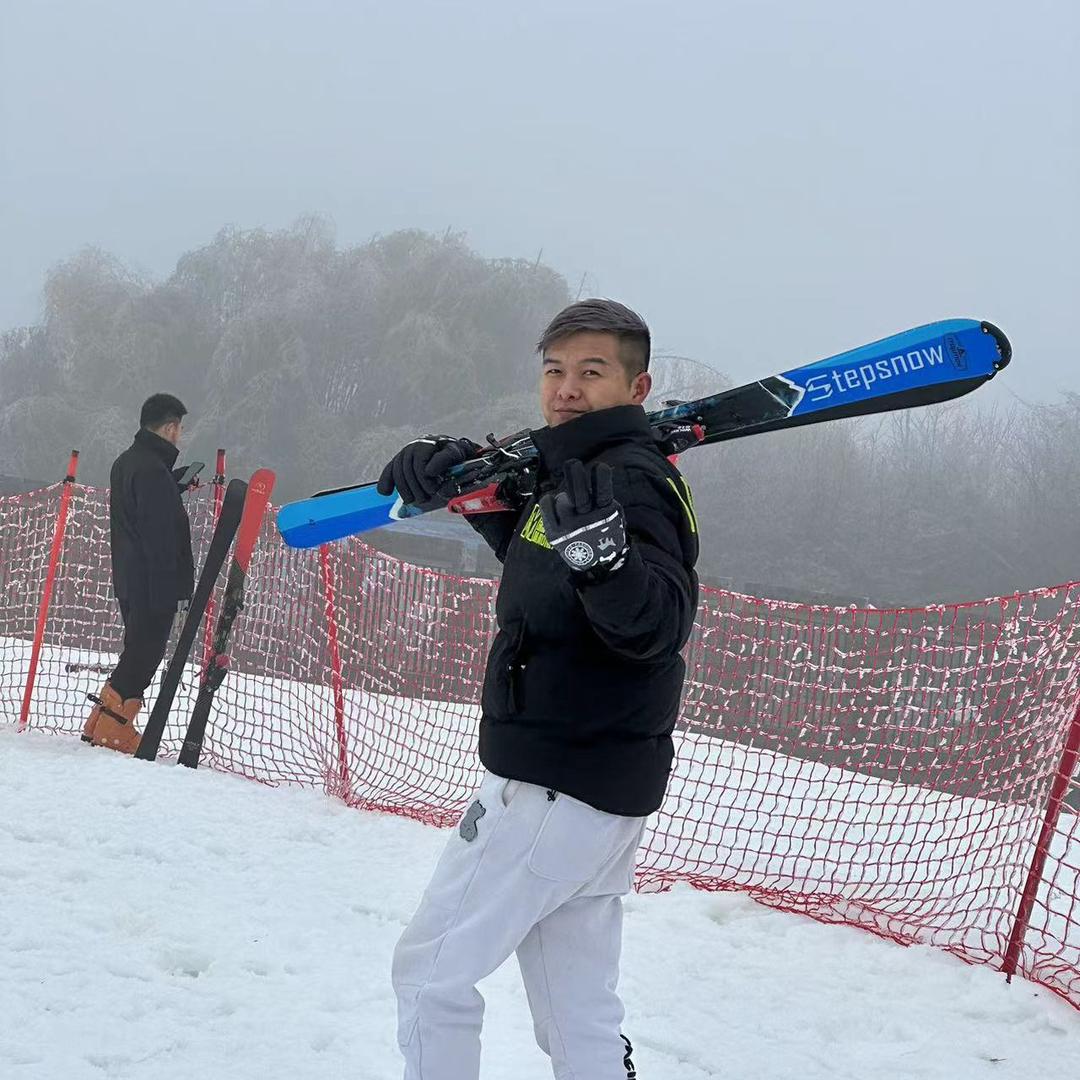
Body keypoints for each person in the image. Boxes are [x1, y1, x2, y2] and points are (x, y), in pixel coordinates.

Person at [380, 299, 700, 1079]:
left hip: (555, 783)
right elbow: (544, 562)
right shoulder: (570, 472)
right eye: (555, 371)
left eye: (592, 371)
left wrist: (609, 563)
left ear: (637, 384)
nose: (566, 388)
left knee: (429, 975)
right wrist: (458, 480)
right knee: (574, 1010)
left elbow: (658, 625)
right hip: (595, 791)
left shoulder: (631, 480)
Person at [82, 393, 196, 754]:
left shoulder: (128, 463)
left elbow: (139, 506)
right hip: (152, 581)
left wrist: (172, 486)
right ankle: (115, 728)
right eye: (178, 429)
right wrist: (173, 589)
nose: (179, 436)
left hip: (130, 577)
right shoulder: (151, 470)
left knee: (137, 649)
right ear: (168, 427)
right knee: (145, 654)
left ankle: (103, 719)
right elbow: (159, 535)